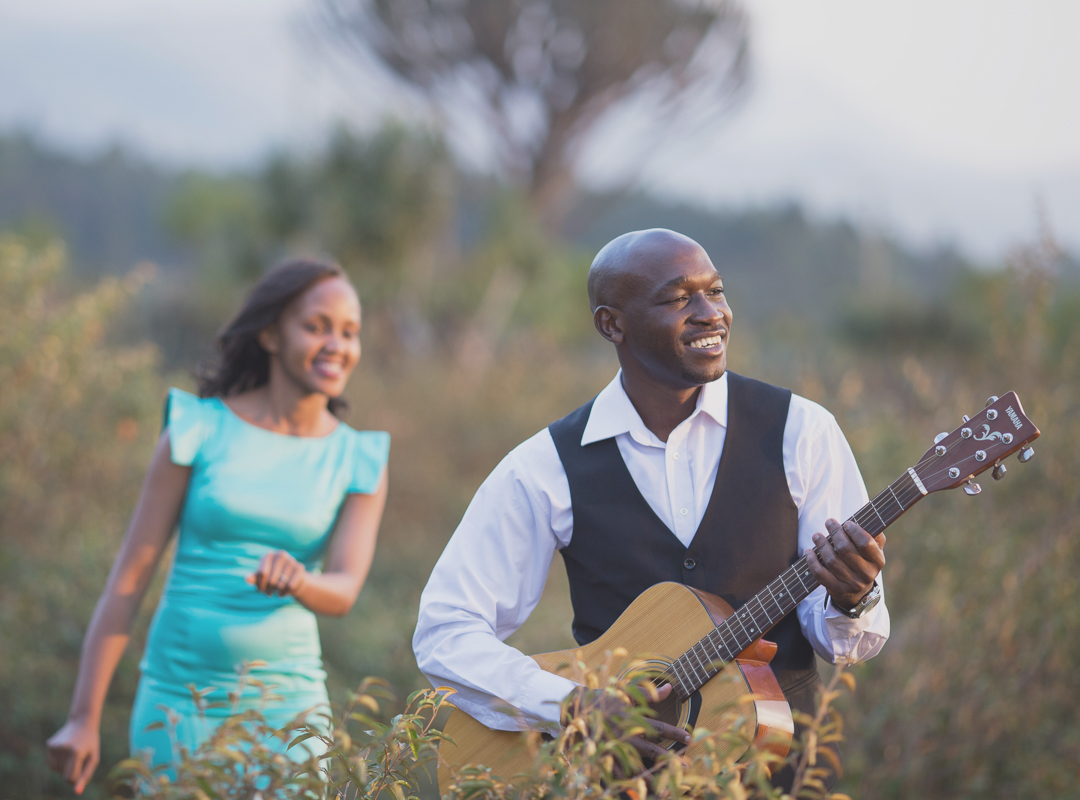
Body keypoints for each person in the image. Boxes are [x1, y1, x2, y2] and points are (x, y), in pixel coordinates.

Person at [413, 229, 888, 784]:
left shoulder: (801, 431)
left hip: (775, 773)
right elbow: (446, 631)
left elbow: (848, 645)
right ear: (612, 324)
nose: (712, 314)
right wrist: (571, 706)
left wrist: (853, 598)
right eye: (679, 298)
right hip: (613, 782)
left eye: (716, 291)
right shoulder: (545, 465)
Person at [47, 258, 390, 794]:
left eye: (349, 332)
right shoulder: (196, 430)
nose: (337, 345)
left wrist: (300, 581)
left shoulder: (359, 459)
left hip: (292, 711)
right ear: (271, 334)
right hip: (178, 703)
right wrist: (83, 718)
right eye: (317, 326)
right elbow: (128, 583)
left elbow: (344, 589)